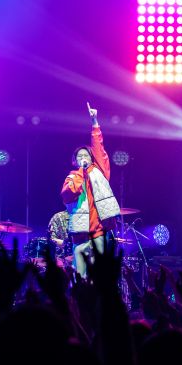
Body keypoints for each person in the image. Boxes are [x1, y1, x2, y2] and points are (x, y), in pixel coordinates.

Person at [61, 102, 121, 277]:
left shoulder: (100, 171)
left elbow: (98, 147)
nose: (83, 157)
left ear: (92, 158)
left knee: (98, 277)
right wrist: (81, 171)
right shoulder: (72, 177)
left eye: (86, 155)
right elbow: (68, 194)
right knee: (79, 277)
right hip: (80, 236)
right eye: (79, 156)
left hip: (99, 232)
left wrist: (94, 121)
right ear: (75, 161)